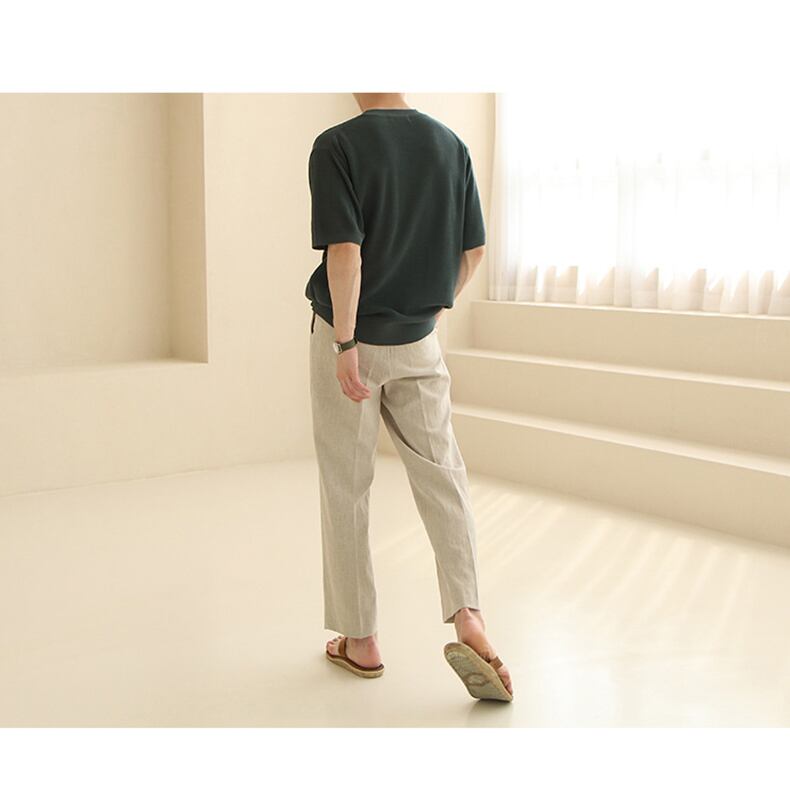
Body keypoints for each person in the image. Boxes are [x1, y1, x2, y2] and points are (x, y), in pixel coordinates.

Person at [305, 93, 513, 700]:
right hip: (420, 341)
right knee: (443, 476)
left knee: (347, 485)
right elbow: (473, 251)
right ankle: (469, 616)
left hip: (352, 340)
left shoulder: (337, 145)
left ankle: (361, 640)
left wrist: (346, 342)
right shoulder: (451, 145)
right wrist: (431, 312)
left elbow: (346, 252)